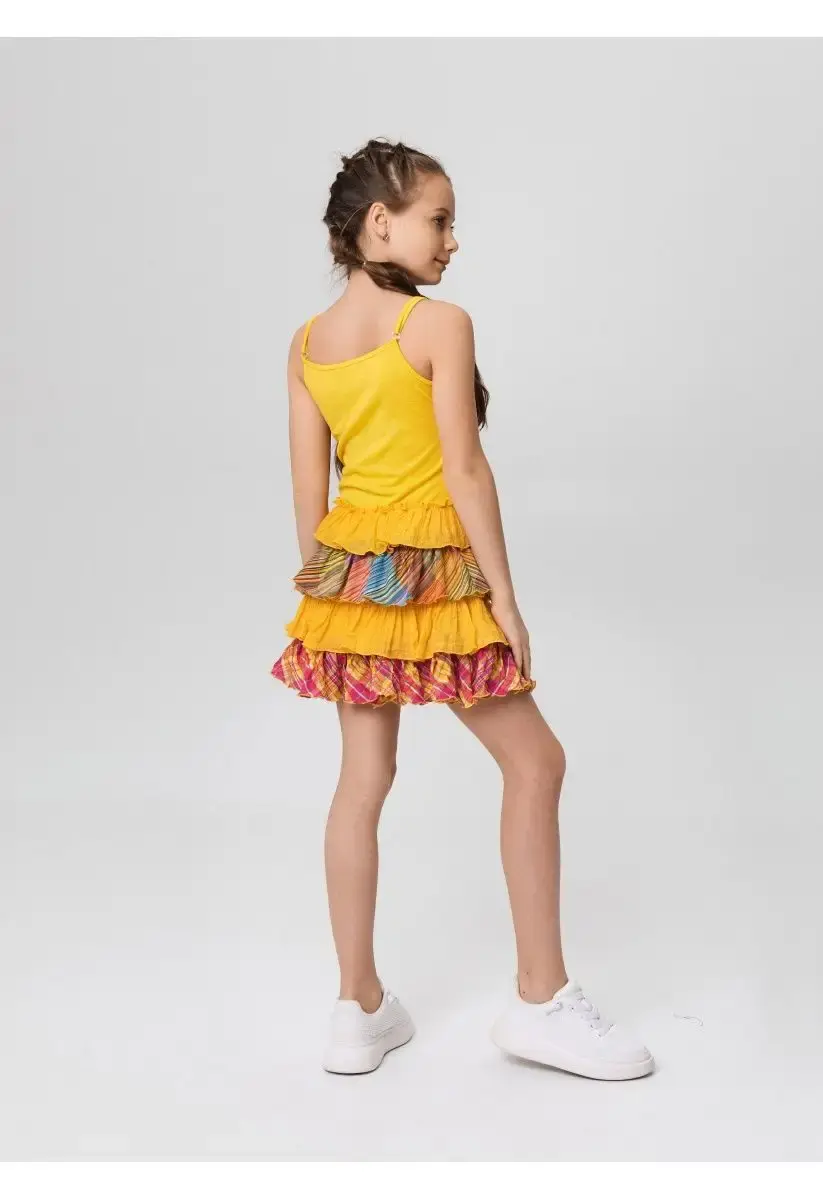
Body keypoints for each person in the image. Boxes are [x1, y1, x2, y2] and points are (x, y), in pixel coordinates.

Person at [271, 137, 655, 1082]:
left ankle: (357, 1008)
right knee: (537, 762)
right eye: (439, 220)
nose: (452, 240)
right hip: (438, 580)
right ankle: (541, 999)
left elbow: (309, 494)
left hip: (351, 582)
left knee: (362, 781)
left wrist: (331, 598)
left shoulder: (308, 344)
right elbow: (466, 470)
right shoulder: (437, 325)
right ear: (379, 222)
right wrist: (505, 600)